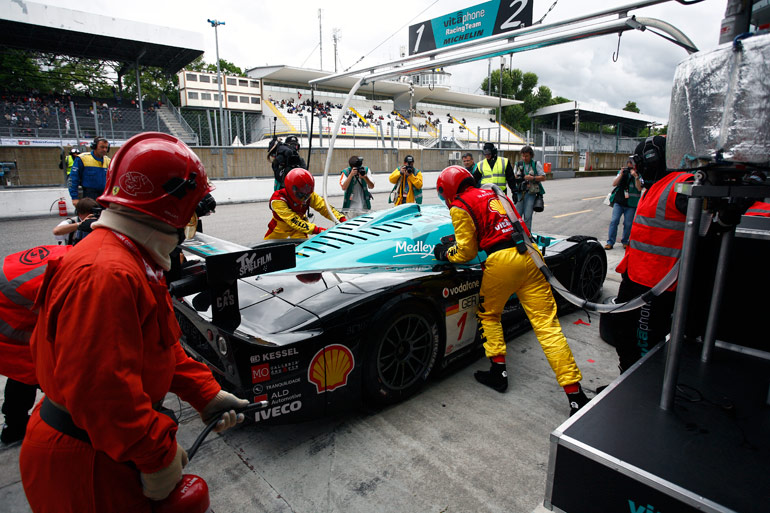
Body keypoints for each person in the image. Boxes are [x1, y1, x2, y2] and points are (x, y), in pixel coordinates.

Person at [20, 132, 249, 512]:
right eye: (191, 211)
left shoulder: (131, 259)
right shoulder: (108, 275)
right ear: (169, 210)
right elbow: (104, 393)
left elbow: (161, 347)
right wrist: (156, 454)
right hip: (89, 462)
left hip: (106, 446)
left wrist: (206, 394)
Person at [433, 165, 589, 415]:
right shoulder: (496, 193)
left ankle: (498, 372)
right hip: (531, 256)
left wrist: (446, 252)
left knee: (489, 315)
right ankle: (575, 395)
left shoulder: (460, 205)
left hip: (502, 262)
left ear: (448, 189)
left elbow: (466, 252)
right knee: (547, 327)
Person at [604, 135, 693, 372]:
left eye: (641, 162)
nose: (637, 168)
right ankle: (626, 380)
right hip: (635, 276)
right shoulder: (655, 185)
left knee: (645, 342)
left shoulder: (682, 184)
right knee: (622, 331)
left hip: (657, 284)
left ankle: (641, 387)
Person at [1, 245, 72, 445]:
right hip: (12, 319)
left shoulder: (67, 252)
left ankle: (13, 425)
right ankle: (17, 426)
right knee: (30, 371)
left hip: (13, 303)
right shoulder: (72, 275)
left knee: (25, 372)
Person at [264, 168, 346, 239]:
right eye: (301, 195)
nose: (304, 199)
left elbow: (324, 207)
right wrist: (319, 230)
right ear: (291, 189)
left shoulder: (309, 195)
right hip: (279, 229)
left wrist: (341, 219)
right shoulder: (278, 200)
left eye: (307, 195)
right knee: (266, 252)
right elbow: (292, 220)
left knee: (301, 252)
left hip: (299, 230)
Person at [605, 157, 642, 250]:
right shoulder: (623, 172)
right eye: (628, 162)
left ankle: (625, 241)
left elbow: (639, 188)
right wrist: (621, 174)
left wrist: (636, 177)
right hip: (620, 201)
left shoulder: (639, 174)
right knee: (614, 221)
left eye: (631, 163)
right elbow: (614, 183)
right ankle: (610, 242)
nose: (629, 165)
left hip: (631, 204)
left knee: (628, 224)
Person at [68, 136, 110, 205]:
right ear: (94, 147)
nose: (104, 150)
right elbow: (73, 179)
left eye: (106, 147)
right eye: (102, 147)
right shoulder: (82, 159)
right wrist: (74, 197)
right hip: (88, 196)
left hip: (103, 196)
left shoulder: (108, 161)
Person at [513, 145, 546, 230]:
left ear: (531, 155)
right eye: (523, 156)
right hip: (520, 193)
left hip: (531, 194)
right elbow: (514, 177)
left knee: (527, 216)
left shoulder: (536, 164)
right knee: (517, 216)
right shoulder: (518, 164)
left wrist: (533, 178)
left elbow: (543, 177)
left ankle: (527, 235)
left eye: (526, 156)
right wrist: (516, 177)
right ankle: (518, 234)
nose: (524, 158)